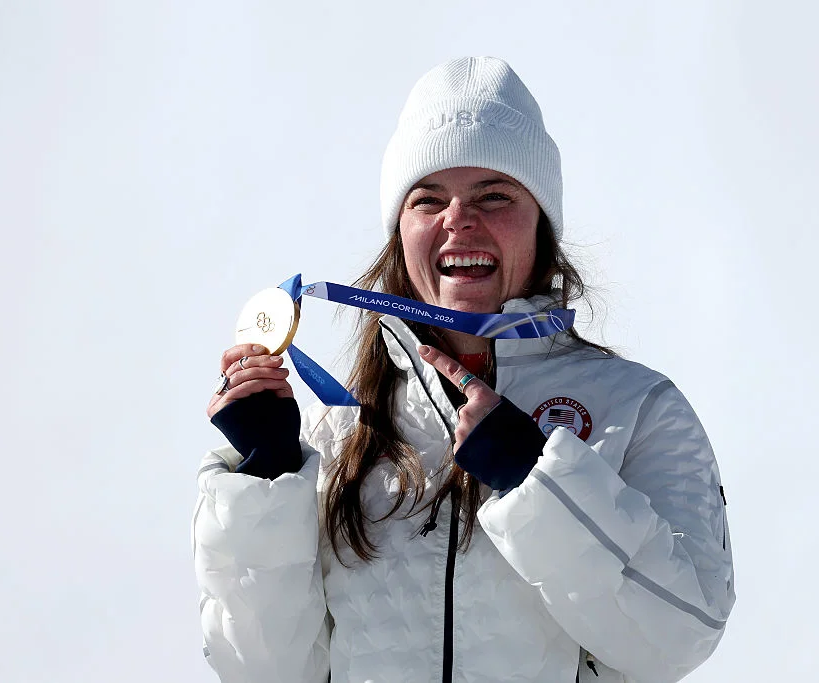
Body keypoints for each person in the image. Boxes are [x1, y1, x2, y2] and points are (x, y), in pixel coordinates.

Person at [193, 56, 735, 683]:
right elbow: (264, 670)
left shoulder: (637, 408)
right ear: (401, 232)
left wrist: (537, 478)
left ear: (542, 226)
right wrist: (268, 472)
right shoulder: (334, 429)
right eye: (429, 199)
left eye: (494, 195)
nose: (458, 219)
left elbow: (680, 636)